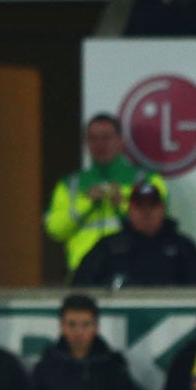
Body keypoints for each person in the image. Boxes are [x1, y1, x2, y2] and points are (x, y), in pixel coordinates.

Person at [43, 114, 144, 276]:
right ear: (85, 143)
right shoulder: (70, 184)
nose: (100, 144)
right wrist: (88, 202)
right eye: (93, 138)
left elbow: (156, 224)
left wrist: (122, 203)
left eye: (106, 138)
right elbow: (55, 229)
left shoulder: (143, 179)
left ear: (120, 141)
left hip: (132, 271)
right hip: (82, 273)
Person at [72, 176, 196, 290]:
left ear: (163, 209)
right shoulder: (109, 247)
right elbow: (81, 287)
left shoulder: (183, 247)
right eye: (140, 207)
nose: (146, 213)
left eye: (152, 206)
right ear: (130, 210)